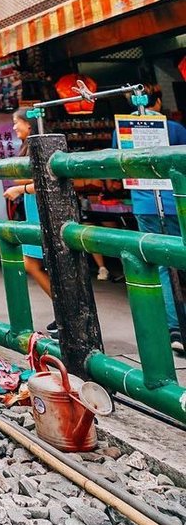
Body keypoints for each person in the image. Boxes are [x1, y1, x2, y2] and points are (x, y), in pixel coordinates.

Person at [113, 92, 186, 352]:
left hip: (145, 204)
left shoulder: (122, 131)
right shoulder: (175, 128)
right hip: (179, 201)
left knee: (162, 266)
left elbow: (118, 164)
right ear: (156, 104)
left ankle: (175, 328)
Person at [2, 110, 55, 314]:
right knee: (35, 263)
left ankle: (65, 312)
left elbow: (46, 182)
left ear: (29, 125)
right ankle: (63, 311)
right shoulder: (29, 146)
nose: (15, 127)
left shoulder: (38, 146)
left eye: (17, 123)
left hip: (43, 211)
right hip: (35, 211)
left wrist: (19, 188)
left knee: (33, 264)